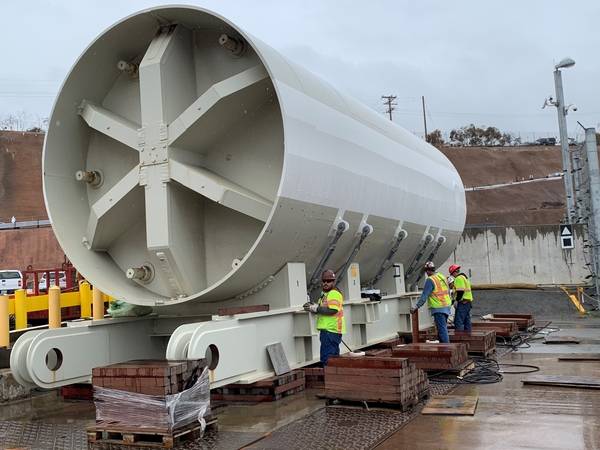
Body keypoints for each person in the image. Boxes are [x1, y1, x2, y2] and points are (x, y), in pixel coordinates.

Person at [303, 269, 346, 366]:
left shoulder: (333, 293)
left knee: (327, 358)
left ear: (333, 282)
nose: (326, 283)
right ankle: (334, 378)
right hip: (331, 331)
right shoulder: (324, 294)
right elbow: (324, 308)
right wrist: (313, 307)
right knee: (334, 358)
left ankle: (328, 378)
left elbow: (333, 310)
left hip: (330, 330)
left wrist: (316, 309)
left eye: (329, 281)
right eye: (324, 281)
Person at [410, 261, 452, 343]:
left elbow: (424, 296)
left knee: (442, 329)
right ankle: (443, 347)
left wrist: (416, 306)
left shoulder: (430, 280)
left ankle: (447, 349)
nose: (426, 273)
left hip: (438, 307)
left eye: (426, 271)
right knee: (442, 328)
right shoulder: (441, 276)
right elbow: (447, 290)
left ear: (428, 271)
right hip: (446, 305)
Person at [449, 264, 473, 331]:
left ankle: (459, 338)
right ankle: (468, 337)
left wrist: (457, 300)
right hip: (467, 303)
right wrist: (453, 302)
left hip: (463, 303)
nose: (452, 276)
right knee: (466, 321)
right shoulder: (464, 278)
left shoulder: (458, 278)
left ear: (454, 272)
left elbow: (460, 291)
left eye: (451, 274)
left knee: (458, 322)